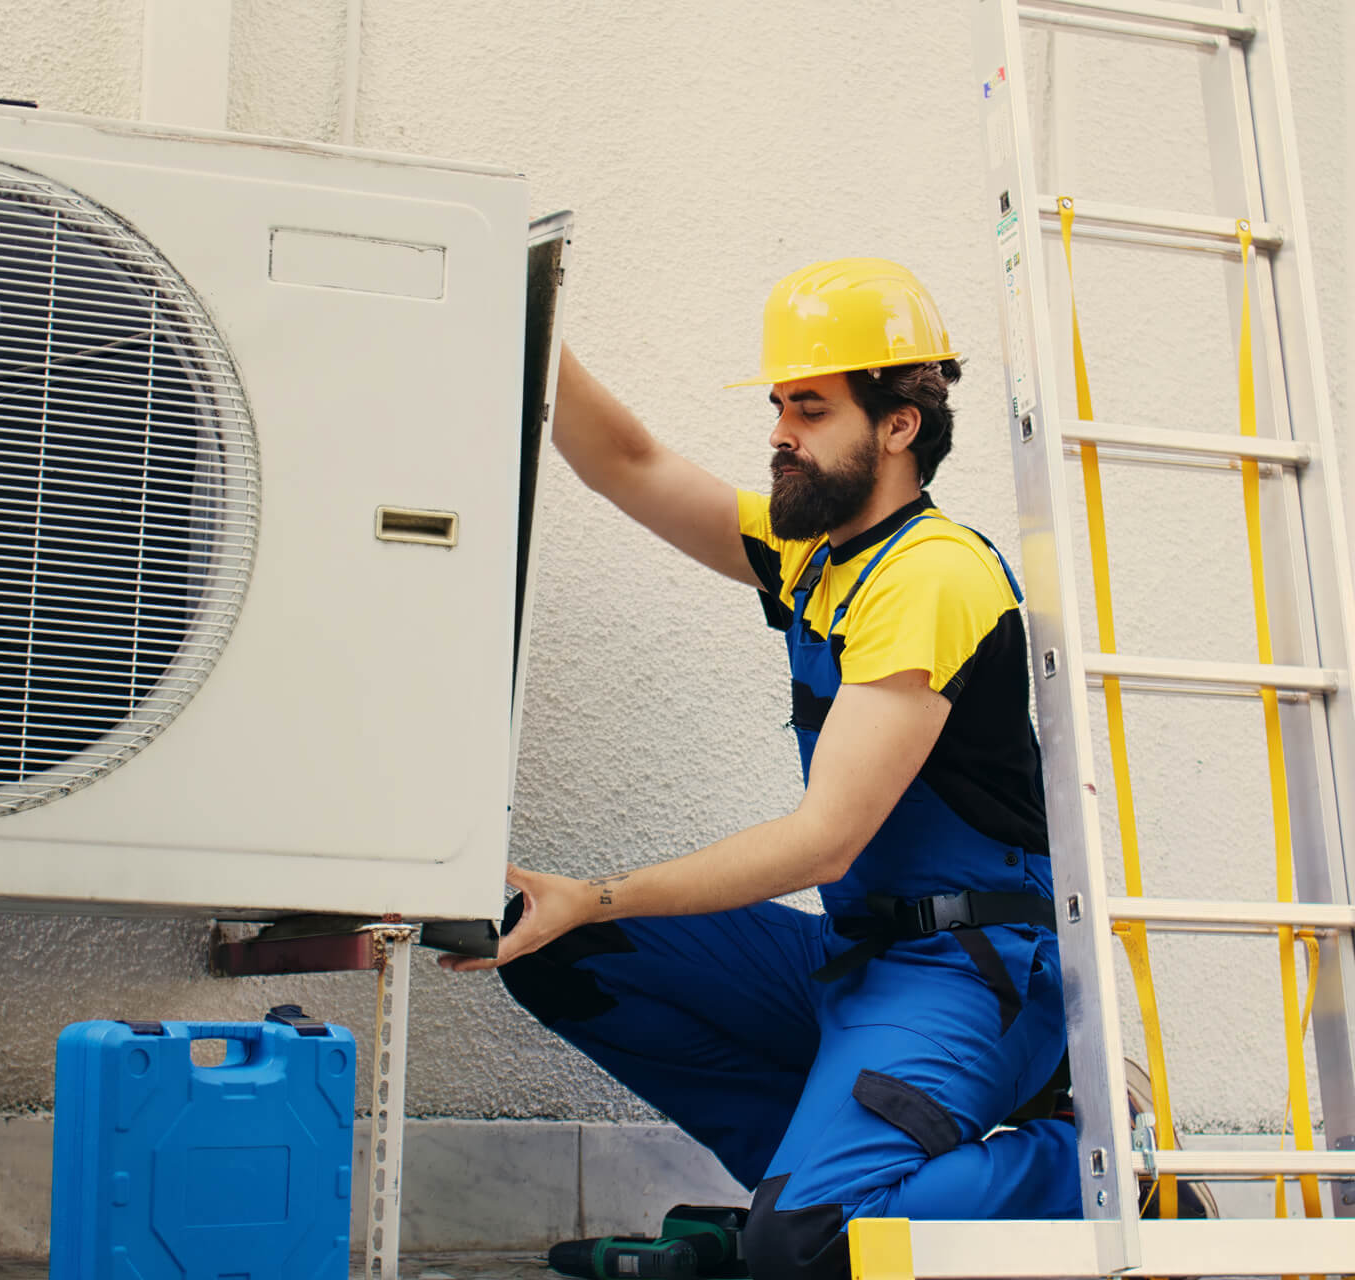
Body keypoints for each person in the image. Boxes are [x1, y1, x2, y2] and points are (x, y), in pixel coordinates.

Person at [442, 259, 1079, 1280]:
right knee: (562, 950)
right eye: (780, 405)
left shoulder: (933, 574)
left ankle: (1091, 1170)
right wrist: (522, 309)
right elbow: (630, 463)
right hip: (858, 959)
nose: (782, 431)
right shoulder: (814, 557)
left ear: (899, 425)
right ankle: (812, 1187)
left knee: (815, 1245)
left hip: (974, 969)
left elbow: (824, 841)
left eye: (811, 408)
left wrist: (599, 889)